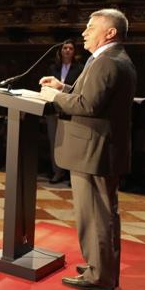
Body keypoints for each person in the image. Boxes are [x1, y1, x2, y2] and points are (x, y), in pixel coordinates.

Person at [40, 8, 137, 290]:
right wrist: (63, 86)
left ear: (110, 32)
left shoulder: (108, 61)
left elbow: (88, 106)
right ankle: (99, 266)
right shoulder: (110, 58)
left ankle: (100, 275)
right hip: (97, 149)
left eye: (91, 27)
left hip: (94, 150)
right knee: (99, 213)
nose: (84, 32)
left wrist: (55, 96)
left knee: (96, 214)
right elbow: (91, 96)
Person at [44, 40, 85, 184]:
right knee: (54, 142)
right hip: (53, 108)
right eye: (65, 48)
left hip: (70, 110)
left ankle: (71, 175)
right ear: (60, 51)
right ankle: (57, 172)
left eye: (71, 48)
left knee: (70, 143)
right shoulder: (52, 68)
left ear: (74, 52)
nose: (67, 50)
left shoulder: (80, 68)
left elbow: (78, 90)